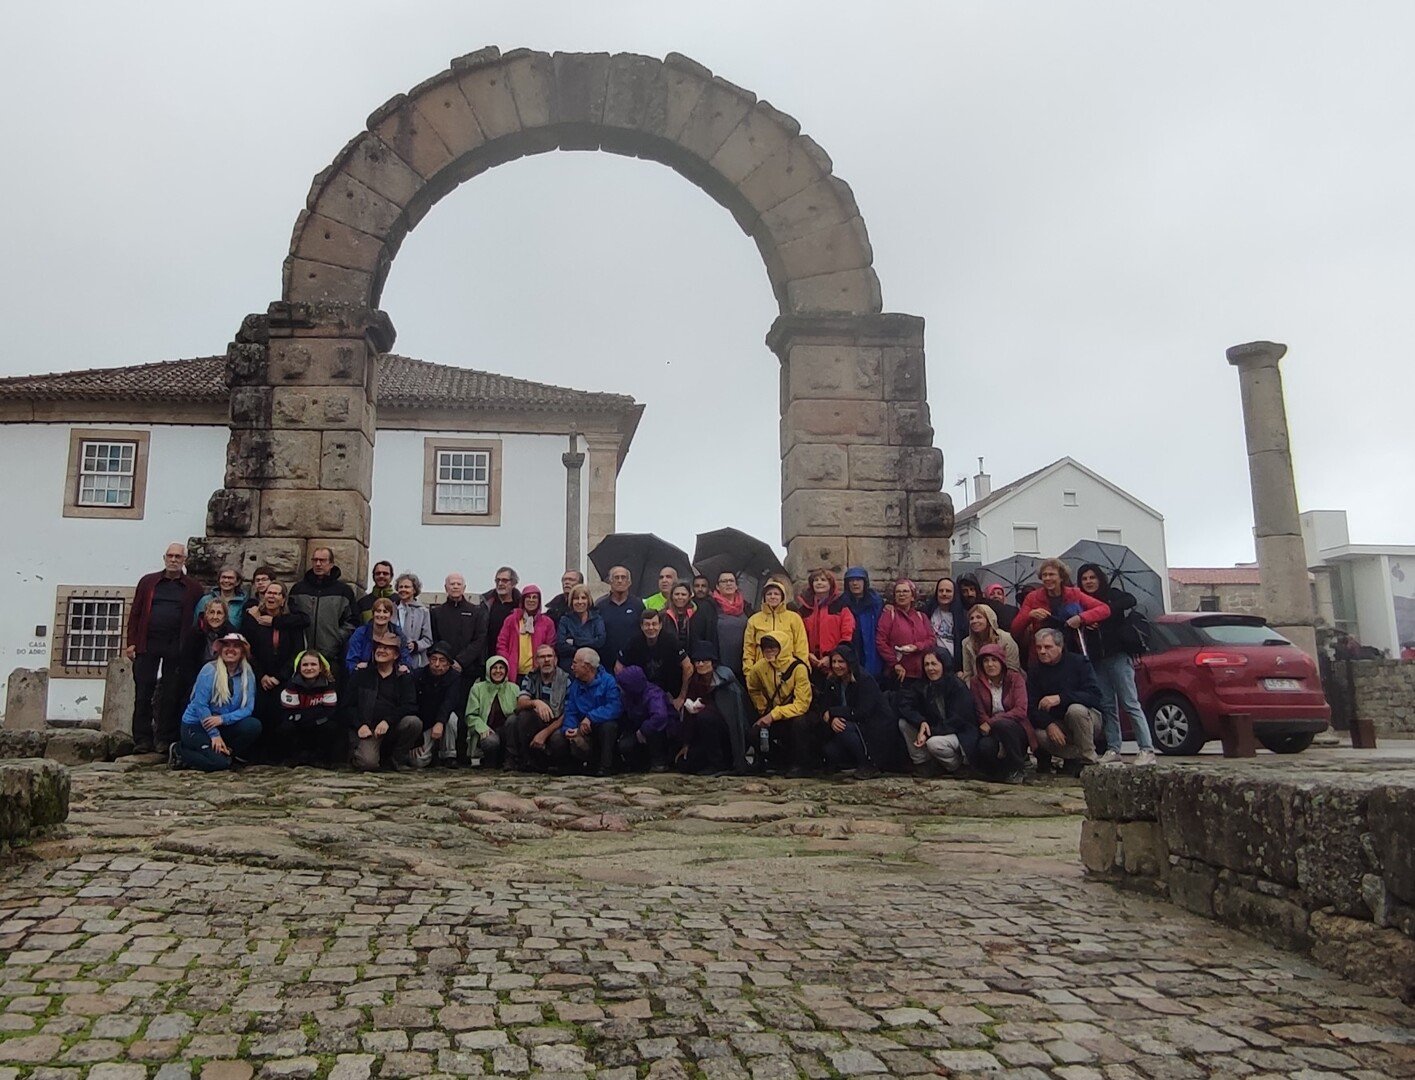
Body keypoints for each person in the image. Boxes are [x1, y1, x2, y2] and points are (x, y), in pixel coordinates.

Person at [126, 543, 205, 754]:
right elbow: (136, 613)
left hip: (176, 646)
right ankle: (142, 739)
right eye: (170, 556)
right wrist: (131, 642)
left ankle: (164, 738)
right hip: (148, 643)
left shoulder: (193, 588)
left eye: (178, 556)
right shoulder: (148, 582)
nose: (173, 560)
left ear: (184, 560)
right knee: (143, 692)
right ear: (164, 558)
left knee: (171, 693)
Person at [1077, 563, 1158, 766]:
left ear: (1100, 579)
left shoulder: (1113, 595)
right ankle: (1114, 748)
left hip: (1119, 656)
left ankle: (1146, 749)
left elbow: (1130, 600)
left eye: (1092, 577)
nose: (1088, 581)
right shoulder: (1081, 603)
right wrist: (1088, 621)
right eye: (1084, 578)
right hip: (1097, 659)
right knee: (1107, 706)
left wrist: (1102, 612)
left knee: (1130, 703)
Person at [171, 632, 262, 772]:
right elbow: (200, 705)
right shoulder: (209, 670)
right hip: (197, 725)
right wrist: (214, 734)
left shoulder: (247, 674)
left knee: (253, 725)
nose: (230, 649)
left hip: (223, 723)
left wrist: (223, 719)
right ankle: (179, 751)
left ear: (242, 652)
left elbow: (248, 708)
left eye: (236, 646)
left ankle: (228, 752)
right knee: (219, 764)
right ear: (220, 650)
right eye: (226, 645)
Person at [342, 630, 422, 771]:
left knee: (413, 723)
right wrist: (360, 725)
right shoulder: (361, 674)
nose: (381, 651)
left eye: (386, 648)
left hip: (392, 726)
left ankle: (397, 759)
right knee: (368, 764)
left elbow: (409, 705)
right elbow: (347, 705)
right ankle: (361, 753)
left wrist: (388, 721)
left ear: (396, 655)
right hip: (368, 729)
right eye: (378, 647)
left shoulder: (403, 677)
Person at [1026, 628, 1103, 775]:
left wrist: (1061, 698)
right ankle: (1074, 758)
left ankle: (1089, 760)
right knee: (1037, 733)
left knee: (1076, 710)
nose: (1042, 651)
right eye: (1038, 647)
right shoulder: (1035, 671)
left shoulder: (1079, 663)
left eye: (1047, 647)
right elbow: (1031, 706)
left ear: (1060, 647)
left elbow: (1094, 695)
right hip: (1056, 723)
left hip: (1087, 718)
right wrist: (1048, 724)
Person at [897, 648, 979, 776]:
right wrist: (921, 722)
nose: (930, 669)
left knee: (934, 744)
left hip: (959, 732)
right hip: (935, 729)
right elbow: (904, 705)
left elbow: (958, 720)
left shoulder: (957, 686)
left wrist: (929, 733)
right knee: (903, 723)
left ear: (944, 665)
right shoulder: (923, 685)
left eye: (934, 664)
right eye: (927, 664)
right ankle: (923, 764)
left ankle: (958, 767)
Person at [243, 581, 310, 735]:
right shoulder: (254, 619)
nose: (271, 596)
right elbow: (247, 650)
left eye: (276, 593)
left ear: (283, 599)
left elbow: (297, 652)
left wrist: (280, 676)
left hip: (283, 678)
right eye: (268, 592)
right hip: (259, 676)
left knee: (280, 715)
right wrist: (262, 675)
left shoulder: (291, 621)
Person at [1011, 558, 1110, 660]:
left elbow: (1104, 609)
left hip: (1072, 651)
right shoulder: (1033, 597)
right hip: (1043, 655)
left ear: (1061, 577)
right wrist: (1029, 615)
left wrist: (1081, 618)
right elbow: (1015, 630)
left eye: (1052, 574)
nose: (1047, 578)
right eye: (1044, 575)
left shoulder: (1074, 594)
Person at [820, 644, 894, 779]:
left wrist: (834, 712)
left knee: (844, 728)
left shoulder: (864, 680)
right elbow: (825, 707)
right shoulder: (832, 681)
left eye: (841, 662)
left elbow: (863, 711)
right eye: (834, 662)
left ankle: (869, 764)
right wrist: (832, 719)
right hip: (849, 723)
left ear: (849, 662)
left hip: (873, 727)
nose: (837, 666)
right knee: (830, 750)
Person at [745, 635, 813, 775]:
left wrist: (773, 715)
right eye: (765, 648)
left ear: (783, 648)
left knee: (800, 724)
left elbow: (802, 705)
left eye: (773, 647)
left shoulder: (798, 668)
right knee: (754, 733)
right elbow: (752, 688)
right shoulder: (759, 667)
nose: (768, 651)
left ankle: (801, 765)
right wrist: (763, 709)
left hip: (797, 714)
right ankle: (778, 761)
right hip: (774, 715)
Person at [548, 648, 623, 775]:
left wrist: (591, 717)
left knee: (609, 727)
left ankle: (605, 766)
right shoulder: (575, 685)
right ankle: (570, 767)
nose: (572, 667)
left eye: (575, 663)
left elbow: (615, 707)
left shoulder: (608, 681)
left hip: (599, 726)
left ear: (587, 666)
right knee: (557, 738)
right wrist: (569, 729)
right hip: (580, 728)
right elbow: (571, 710)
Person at [679, 641, 750, 775]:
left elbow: (734, 716)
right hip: (703, 736)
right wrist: (686, 743)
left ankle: (719, 763)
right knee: (684, 764)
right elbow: (688, 713)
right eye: (697, 661)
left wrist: (704, 708)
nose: (700, 664)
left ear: (712, 662)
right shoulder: (695, 681)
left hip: (726, 735)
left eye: (704, 661)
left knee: (706, 717)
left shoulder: (726, 682)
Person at [969, 643, 1032, 784]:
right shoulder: (975, 682)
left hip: (1015, 727)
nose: (990, 664)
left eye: (994, 660)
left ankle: (1018, 767)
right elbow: (980, 711)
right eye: (986, 661)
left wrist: (992, 722)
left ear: (1001, 662)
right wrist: (988, 724)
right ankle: (1000, 771)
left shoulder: (1015, 678)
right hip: (991, 730)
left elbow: (1021, 709)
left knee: (1003, 725)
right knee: (985, 747)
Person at [288, 548, 358, 668]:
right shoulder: (298, 589)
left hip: (331, 657)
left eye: (322, 560)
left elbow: (352, 622)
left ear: (331, 564)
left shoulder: (344, 591)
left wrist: (336, 639)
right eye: (315, 560)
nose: (318, 564)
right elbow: (290, 617)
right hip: (301, 657)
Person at [506, 645, 569, 772]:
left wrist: (544, 734)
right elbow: (520, 704)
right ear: (536, 662)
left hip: (556, 723)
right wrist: (536, 702)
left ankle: (552, 764)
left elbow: (568, 713)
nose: (546, 660)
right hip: (535, 722)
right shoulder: (531, 677)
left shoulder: (566, 680)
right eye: (542, 657)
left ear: (555, 660)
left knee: (558, 740)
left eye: (549, 656)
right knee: (515, 719)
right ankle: (522, 761)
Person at [274, 650, 342, 766]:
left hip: (318, 726)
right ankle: (293, 758)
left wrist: (308, 716)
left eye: (313, 664)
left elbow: (330, 711)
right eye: (305, 665)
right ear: (299, 667)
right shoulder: (291, 685)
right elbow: (289, 712)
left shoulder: (328, 685)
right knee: (286, 727)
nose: (309, 668)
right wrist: (311, 715)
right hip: (298, 726)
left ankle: (321, 759)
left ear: (320, 667)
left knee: (331, 727)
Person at [795, 569, 857, 686]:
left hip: (835, 662)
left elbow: (847, 633)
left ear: (830, 584)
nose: (819, 583)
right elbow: (799, 635)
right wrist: (807, 654)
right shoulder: (804, 609)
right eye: (816, 580)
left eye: (823, 580)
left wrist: (832, 657)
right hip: (811, 660)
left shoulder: (841, 606)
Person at [618, 609, 691, 703]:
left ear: (660, 625)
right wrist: (628, 693)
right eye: (647, 624)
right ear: (641, 626)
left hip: (669, 694)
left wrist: (681, 697)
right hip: (642, 694)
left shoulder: (671, 641)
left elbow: (688, 667)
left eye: (654, 624)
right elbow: (619, 667)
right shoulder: (633, 642)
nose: (651, 628)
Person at [615, 665, 678, 771]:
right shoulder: (627, 696)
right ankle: (639, 764)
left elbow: (660, 717)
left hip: (664, 732)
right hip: (638, 727)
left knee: (655, 731)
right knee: (624, 745)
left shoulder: (654, 694)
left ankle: (659, 762)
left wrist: (643, 730)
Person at [410, 642, 461, 768]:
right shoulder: (418, 676)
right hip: (424, 722)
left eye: (442, 660)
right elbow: (412, 704)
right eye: (434, 659)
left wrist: (440, 722)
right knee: (418, 761)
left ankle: (449, 755)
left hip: (443, 720)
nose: (437, 664)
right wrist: (418, 736)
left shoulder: (455, 678)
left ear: (449, 663)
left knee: (452, 719)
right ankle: (431, 753)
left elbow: (449, 702)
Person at [875, 579, 934, 687]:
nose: (901, 594)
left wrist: (917, 647)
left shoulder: (922, 617)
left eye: (905, 591)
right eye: (898, 592)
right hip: (899, 674)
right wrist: (894, 663)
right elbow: (881, 641)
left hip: (921, 673)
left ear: (912, 596)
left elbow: (931, 639)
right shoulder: (889, 615)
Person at [463, 656, 520, 767]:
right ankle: (490, 762)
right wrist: (482, 727)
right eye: (494, 668)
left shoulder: (514, 688)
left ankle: (510, 759)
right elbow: (470, 715)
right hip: (487, 730)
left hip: (507, 731)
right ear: (488, 670)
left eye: (501, 668)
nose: (498, 671)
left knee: (513, 720)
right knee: (490, 741)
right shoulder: (477, 688)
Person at [429, 573, 489, 678]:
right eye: (452, 584)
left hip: (468, 669)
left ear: (464, 588)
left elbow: (480, 639)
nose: (455, 586)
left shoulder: (476, 612)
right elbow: (434, 638)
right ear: (446, 588)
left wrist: (461, 661)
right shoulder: (436, 612)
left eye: (458, 584)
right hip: (443, 668)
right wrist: (446, 661)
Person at [743, 579, 808, 670]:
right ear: (764, 597)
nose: (773, 597)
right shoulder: (754, 620)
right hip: (762, 671)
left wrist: (802, 670)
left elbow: (801, 647)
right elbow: (748, 649)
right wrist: (749, 672)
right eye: (769, 594)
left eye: (776, 594)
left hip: (788, 670)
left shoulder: (794, 618)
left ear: (782, 597)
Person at [495, 585, 557, 678]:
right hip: (514, 673)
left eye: (534, 597)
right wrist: (508, 661)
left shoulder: (547, 622)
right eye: (528, 597)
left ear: (539, 601)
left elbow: (551, 646)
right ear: (523, 600)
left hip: (537, 674)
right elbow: (501, 644)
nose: (531, 600)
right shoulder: (511, 620)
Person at [182, 599, 234, 702]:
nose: (215, 617)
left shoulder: (231, 635)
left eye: (219, 613)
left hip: (222, 680)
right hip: (196, 678)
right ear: (206, 614)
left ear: (225, 616)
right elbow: (186, 662)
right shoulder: (194, 633)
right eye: (211, 612)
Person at [344, 598, 413, 673]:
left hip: (391, 677)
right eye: (378, 611)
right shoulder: (361, 633)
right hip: (365, 675)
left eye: (385, 612)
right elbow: (351, 660)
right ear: (373, 614)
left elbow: (405, 656)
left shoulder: (398, 633)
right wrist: (356, 667)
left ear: (390, 615)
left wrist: (404, 666)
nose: (381, 615)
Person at [841, 567, 886, 680]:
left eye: (858, 580)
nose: (855, 583)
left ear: (865, 582)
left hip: (872, 647)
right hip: (851, 645)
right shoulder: (841, 603)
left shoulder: (876, 602)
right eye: (851, 580)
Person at [594, 565, 643, 669]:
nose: (620, 581)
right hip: (605, 663)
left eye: (623, 577)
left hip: (632, 662)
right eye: (616, 578)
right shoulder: (600, 605)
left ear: (629, 582)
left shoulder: (638, 605)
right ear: (610, 582)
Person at [707, 571, 751, 679]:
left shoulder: (746, 606)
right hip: (721, 665)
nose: (728, 584)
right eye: (724, 581)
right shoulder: (710, 606)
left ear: (736, 586)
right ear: (717, 586)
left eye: (731, 581)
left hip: (744, 662)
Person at [959, 604, 1021, 681]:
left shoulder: (1006, 639)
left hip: (1006, 684)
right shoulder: (966, 643)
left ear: (989, 620)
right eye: (971, 618)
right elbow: (968, 673)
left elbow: (1012, 669)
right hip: (979, 687)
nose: (974, 621)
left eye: (979, 617)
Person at [556, 584, 607, 672]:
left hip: (592, 667)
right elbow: (561, 646)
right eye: (576, 598)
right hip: (569, 668)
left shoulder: (597, 619)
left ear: (588, 600)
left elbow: (600, 642)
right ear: (571, 601)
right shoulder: (565, 620)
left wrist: (575, 641)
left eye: (583, 598)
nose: (580, 602)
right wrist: (589, 643)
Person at [393, 573, 433, 670]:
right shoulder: (392, 609)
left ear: (414, 590)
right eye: (400, 587)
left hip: (414, 661)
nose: (403, 589)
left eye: (407, 587)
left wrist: (415, 645)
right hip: (393, 658)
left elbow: (428, 639)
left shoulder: (423, 611)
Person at [662, 582, 714, 655]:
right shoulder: (663, 616)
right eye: (677, 594)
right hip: (670, 656)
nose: (680, 597)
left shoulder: (697, 615)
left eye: (683, 594)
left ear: (689, 597)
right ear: (671, 596)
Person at [482, 566, 522, 658]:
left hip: (512, 656)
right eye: (497, 580)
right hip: (488, 656)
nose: (500, 583)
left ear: (513, 583)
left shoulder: (521, 606)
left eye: (504, 580)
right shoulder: (486, 603)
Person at [922, 577, 962, 666]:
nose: (944, 594)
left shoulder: (961, 615)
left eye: (948, 591)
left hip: (954, 663)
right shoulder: (927, 611)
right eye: (941, 591)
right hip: (931, 661)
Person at [195, 566, 248, 631]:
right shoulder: (205, 600)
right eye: (223, 577)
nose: (226, 580)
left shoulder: (244, 603)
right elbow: (196, 624)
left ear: (237, 582)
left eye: (230, 578)